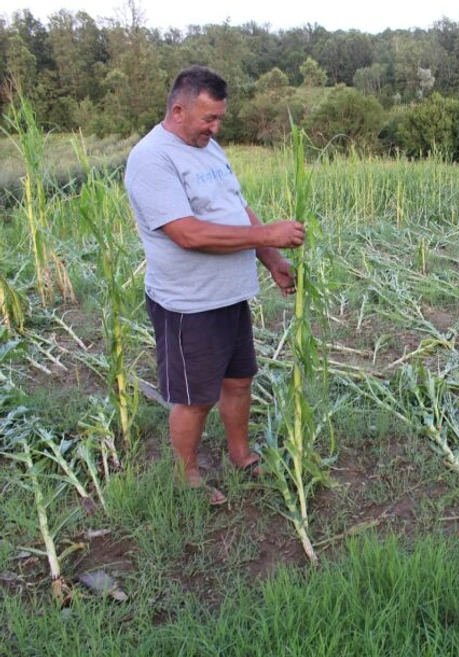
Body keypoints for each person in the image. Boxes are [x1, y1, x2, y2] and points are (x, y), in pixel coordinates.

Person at [125, 65, 305, 504]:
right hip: (189, 303)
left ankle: (240, 454)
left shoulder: (208, 147)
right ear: (179, 109)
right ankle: (187, 475)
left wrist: (271, 258)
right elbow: (187, 233)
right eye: (209, 118)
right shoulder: (152, 159)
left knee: (240, 381)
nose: (216, 127)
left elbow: (236, 208)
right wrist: (267, 235)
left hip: (230, 294)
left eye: (220, 118)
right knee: (194, 398)